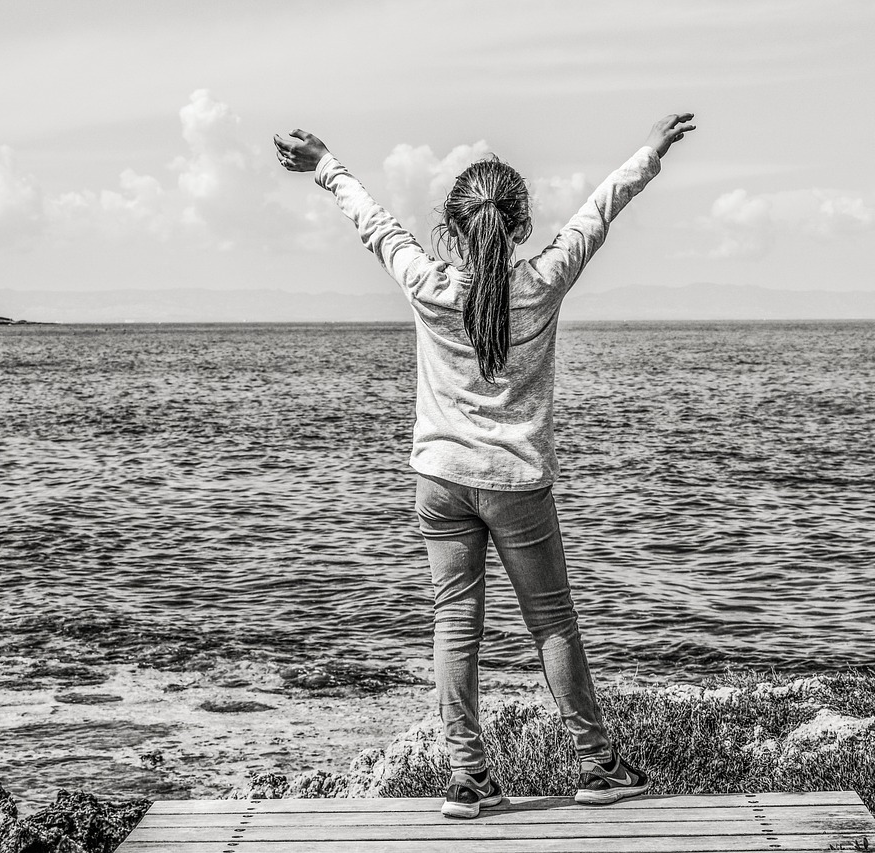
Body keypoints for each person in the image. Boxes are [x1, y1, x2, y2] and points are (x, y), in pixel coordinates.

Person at [274, 113, 696, 818]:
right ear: (520, 222)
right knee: (552, 620)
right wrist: (648, 153)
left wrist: (326, 163)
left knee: (453, 622)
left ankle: (468, 778)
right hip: (517, 483)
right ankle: (597, 765)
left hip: (439, 480)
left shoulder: (428, 283)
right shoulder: (543, 281)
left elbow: (373, 222)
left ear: (452, 223)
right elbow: (599, 213)